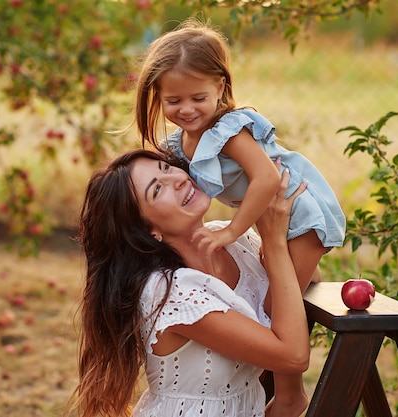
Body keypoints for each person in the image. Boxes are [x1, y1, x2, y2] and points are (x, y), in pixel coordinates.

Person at [132, 21, 346, 415]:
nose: (186, 109)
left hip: (298, 216)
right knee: (277, 283)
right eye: (173, 101)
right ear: (157, 97)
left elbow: (266, 180)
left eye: (198, 97)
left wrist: (234, 229)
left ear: (220, 86)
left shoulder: (229, 129)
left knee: (273, 310)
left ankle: (289, 396)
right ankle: (304, 274)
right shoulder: (182, 141)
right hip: (278, 222)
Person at [69, 149, 310, 417]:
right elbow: (293, 356)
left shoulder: (236, 243)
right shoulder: (168, 291)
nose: (179, 180)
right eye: (157, 189)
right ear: (148, 231)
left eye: (166, 168)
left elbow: (302, 282)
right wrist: (275, 243)